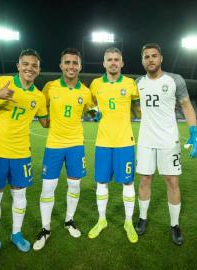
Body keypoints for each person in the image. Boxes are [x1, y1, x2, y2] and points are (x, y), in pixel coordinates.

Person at [0, 49, 48, 268]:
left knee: (20, 196)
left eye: (34, 65)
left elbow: (45, 122)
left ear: (39, 70)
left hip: (22, 154)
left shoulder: (39, 96)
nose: (30, 68)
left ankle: (16, 234)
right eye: (26, 64)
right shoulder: (1, 82)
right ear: (18, 65)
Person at [135, 43, 197, 246]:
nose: (151, 59)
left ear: (161, 58)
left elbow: (187, 105)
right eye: (147, 56)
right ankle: (143, 218)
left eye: (154, 56)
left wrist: (194, 132)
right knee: (145, 180)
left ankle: (174, 225)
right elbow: (135, 106)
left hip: (168, 141)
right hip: (145, 140)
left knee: (172, 182)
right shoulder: (137, 82)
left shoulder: (175, 80)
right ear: (143, 60)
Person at [32, 48, 94, 251]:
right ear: (61, 66)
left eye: (75, 62)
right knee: (48, 188)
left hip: (76, 145)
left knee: (74, 186)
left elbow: (93, 111)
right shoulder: (49, 87)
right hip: (54, 146)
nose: (71, 66)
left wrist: (98, 113)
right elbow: (40, 111)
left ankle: (69, 220)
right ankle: (45, 228)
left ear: (80, 66)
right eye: (67, 62)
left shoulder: (85, 91)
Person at [88, 47, 140, 244]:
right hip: (103, 142)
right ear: (104, 63)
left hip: (125, 142)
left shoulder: (130, 84)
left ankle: (128, 222)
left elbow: (140, 102)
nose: (113, 62)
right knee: (102, 182)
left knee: (128, 182)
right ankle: (102, 220)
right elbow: (88, 103)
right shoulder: (95, 84)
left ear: (122, 62)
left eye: (116, 59)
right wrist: (94, 113)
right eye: (109, 59)